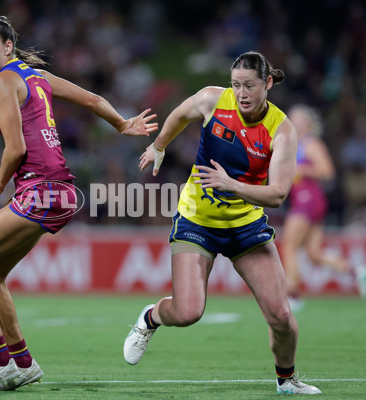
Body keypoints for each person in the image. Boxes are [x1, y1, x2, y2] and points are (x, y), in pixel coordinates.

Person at [0, 16, 157, 391]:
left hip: (40, 190)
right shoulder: (36, 77)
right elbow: (94, 99)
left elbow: (15, 148)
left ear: (8, 47)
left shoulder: (2, 81)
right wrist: (120, 124)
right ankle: (24, 363)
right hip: (60, 191)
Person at [123, 51, 321, 395]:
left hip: (246, 227)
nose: (241, 93)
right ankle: (149, 318)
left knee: (282, 317)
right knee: (187, 312)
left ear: (268, 83)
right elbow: (179, 115)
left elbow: (276, 196)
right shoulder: (212, 100)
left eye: (249, 85)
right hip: (197, 222)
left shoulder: (282, 131)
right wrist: (158, 146)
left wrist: (231, 185)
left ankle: (287, 380)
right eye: (236, 85)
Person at [280, 104, 366, 311]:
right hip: (308, 201)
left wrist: (301, 168)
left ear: (308, 124)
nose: (293, 122)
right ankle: (357, 271)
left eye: (298, 119)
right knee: (313, 253)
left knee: (289, 245)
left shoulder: (311, 144)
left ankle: (293, 294)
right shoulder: (294, 144)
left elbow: (327, 171)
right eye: (291, 118)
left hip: (308, 198)